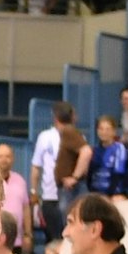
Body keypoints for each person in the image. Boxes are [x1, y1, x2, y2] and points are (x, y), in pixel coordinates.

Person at [31, 100, 89, 246]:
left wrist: (75, 177)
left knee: (65, 238)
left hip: (67, 193)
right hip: (51, 194)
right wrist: (34, 191)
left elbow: (86, 154)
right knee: (55, 238)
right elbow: (36, 166)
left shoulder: (74, 134)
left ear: (55, 117)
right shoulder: (45, 136)